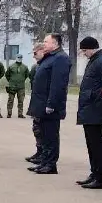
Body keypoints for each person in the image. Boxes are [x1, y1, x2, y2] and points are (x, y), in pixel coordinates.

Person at [27, 34, 71, 174]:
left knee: (51, 136)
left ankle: (50, 165)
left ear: (55, 43)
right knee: (44, 135)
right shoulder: (51, 57)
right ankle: (44, 161)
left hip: (50, 105)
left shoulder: (61, 59)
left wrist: (51, 104)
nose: (44, 44)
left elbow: (57, 84)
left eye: (46, 41)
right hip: (41, 104)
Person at [75, 36, 102, 189]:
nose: (84, 53)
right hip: (89, 109)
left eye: (85, 50)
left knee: (97, 145)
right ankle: (94, 173)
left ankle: (101, 177)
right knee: (91, 145)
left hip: (96, 109)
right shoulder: (94, 61)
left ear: (92, 48)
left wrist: (95, 97)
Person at [5, 54, 29, 118]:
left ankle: (20, 114)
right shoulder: (11, 66)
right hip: (12, 86)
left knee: (21, 101)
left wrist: (21, 80)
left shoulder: (25, 67)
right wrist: (11, 81)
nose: (19, 58)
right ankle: (9, 113)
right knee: (10, 100)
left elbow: (26, 75)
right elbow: (7, 75)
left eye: (21, 57)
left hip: (21, 87)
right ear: (16, 58)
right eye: (18, 57)